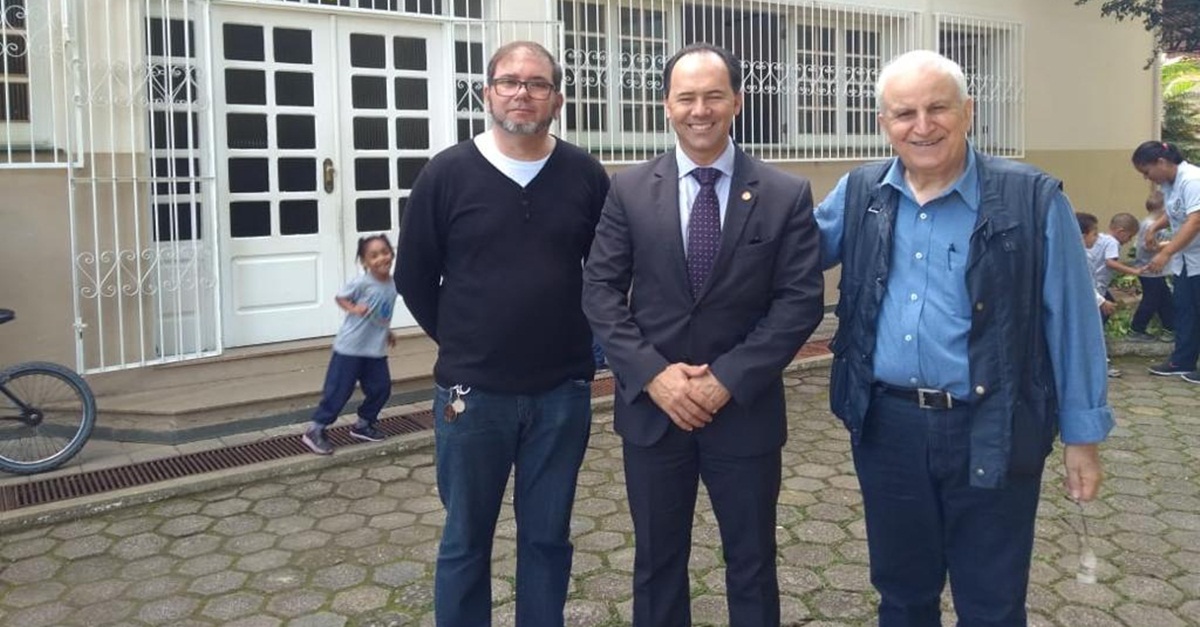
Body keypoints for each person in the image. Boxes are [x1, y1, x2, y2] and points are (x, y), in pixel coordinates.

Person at [814, 50, 1112, 626]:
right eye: (904, 113)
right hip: (888, 428)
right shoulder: (860, 194)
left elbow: (1071, 322)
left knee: (992, 603)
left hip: (993, 424)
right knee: (901, 596)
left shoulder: (1032, 199)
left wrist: (1083, 437)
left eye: (937, 108)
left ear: (968, 111)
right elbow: (779, 258)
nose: (922, 126)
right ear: (884, 124)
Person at [582, 43, 824, 627]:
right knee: (657, 561)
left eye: (714, 95)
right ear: (666, 105)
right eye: (686, 97)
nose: (700, 109)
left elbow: (800, 302)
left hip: (744, 411)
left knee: (751, 561)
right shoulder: (630, 188)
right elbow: (600, 290)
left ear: (736, 102)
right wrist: (653, 376)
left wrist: (726, 379)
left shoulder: (785, 193)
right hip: (654, 411)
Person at [394, 41, 609, 626]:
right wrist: (465, 341)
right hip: (472, 395)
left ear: (557, 100)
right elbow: (414, 274)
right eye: (509, 81)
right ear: (487, 91)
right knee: (466, 539)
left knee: (547, 539)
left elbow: (609, 272)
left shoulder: (586, 176)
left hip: (561, 393)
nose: (522, 92)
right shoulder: (446, 173)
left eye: (537, 83)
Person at [302, 234, 398, 455]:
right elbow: (340, 298)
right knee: (339, 390)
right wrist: (354, 309)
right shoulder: (362, 282)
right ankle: (315, 429)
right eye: (373, 256)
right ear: (365, 262)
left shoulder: (392, 283)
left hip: (375, 349)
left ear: (392, 254)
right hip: (350, 348)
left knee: (381, 388)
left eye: (385, 252)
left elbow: (381, 313)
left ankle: (363, 424)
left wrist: (387, 331)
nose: (381, 258)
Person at [1130, 141, 1200, 383]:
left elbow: (1195, 220)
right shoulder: (1170, 184)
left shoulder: (1192, 180)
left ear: (1161, 162)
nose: (1146, 178)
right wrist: (1154, 229)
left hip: (1194, 257)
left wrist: (1166, 252)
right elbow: (1174, 213)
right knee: (1185, 311)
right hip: (1187, 261)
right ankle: (1182, 361)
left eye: (1146, 172)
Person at [1128, 192, 1178, 342]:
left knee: (1165, 299)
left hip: (1157, 272)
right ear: (1163, 210)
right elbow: (1148, 246)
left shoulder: (1153, 223)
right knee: (1151, 301)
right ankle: (1137, 329)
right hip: (1149, 271)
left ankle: (1169, 328)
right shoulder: (1149, 225)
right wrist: (1170, 244)